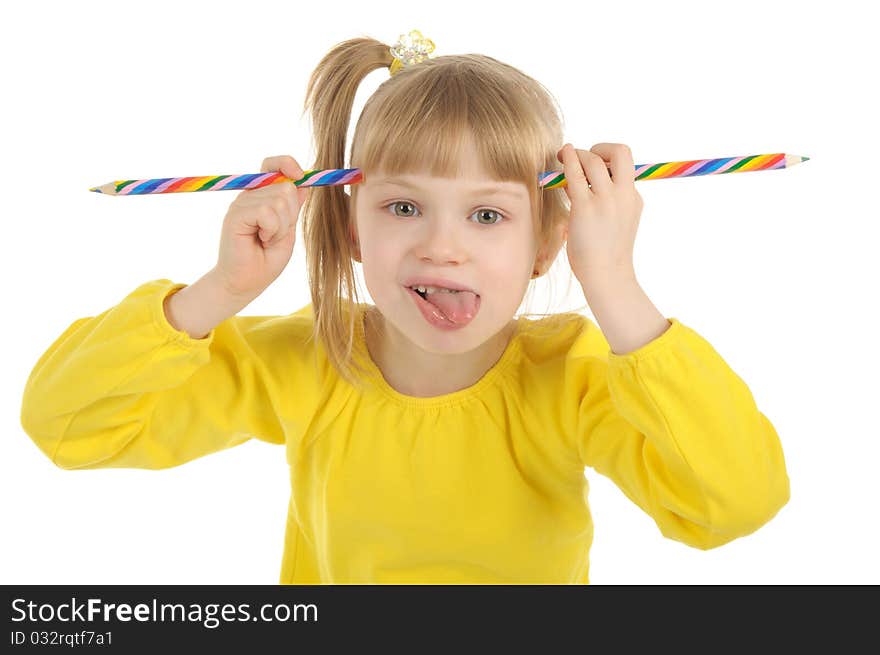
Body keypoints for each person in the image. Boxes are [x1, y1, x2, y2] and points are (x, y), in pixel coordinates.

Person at [20, 30, 790, 584]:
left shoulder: (573, 376)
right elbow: (68, 424)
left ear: (547, 242)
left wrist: (615, 285)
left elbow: (733, 505)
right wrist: (219, 290)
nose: (442, 247)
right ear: (350, 225)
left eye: (487, 215)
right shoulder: (306, 360)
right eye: (403, 208)